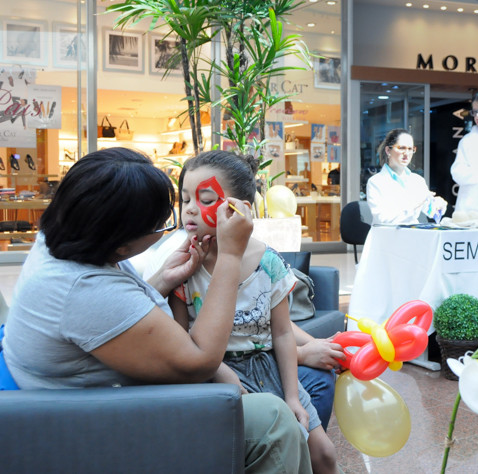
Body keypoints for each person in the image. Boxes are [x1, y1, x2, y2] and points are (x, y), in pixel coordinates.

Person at [0, 148, 310, 472]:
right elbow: (200, 362)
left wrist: (162, 279)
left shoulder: (66, 239)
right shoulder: (83, 289)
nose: (184, 217)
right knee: (273, 421)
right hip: (85, 426)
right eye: (162, 223)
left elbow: (121, 316)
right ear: (121, 243)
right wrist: (231, 256)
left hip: (66, 399)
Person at [172, 150, 338, 473]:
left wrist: (293, 396)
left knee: (324, 455)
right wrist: (219, 372)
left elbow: (283, 333)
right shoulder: (185, 266)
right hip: (215, 376)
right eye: (185, 198)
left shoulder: (269, 262)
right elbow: (181, 340)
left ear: (241, 209)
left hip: (270, 369)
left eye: (205, 199)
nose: (190, 208)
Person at [366, 128, 447, 224]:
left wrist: (438, 205)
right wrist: (416, 203)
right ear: (388, 150)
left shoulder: (417, 180)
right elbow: (383, 219)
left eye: (410, 149)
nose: (407, 153)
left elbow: (431, 212)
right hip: (387, 232)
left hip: (412, 232)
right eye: (402, 148)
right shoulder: (375, 182)